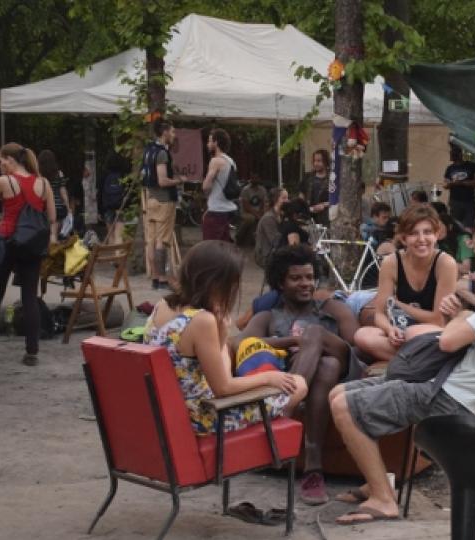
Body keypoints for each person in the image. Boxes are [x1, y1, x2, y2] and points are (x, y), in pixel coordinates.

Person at [329, 219, 475, 524]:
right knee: (339, 392)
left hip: (449, 399)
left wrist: (458, 313)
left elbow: (449, 341)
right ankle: (380, 481)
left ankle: (384, 499)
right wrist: (461, 312)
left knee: (344, 407)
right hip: (442, 388)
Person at [234, 244, 365, 505]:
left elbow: (358, 347)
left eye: (309, 277)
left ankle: (284, 407)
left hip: (344, 373)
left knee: (316, 336)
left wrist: (310, 341)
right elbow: (238, 344)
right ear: (280, 283)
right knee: (324, 366)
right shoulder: (268, 316)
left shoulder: (332, 309)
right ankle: (313, 471)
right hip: (316, 377)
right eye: (296, 278)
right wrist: (293, 344)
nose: (305, 283)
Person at [145, 240, 307, 438]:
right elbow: (223, 387)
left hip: (169, 410)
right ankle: (274, 443)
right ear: (218, 283)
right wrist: (268, 377)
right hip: (202, 416)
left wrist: (220, 328)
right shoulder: (202, 321)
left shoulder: (162, 305)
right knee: (297, 384)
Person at [353, 204, 458, 364]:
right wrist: (389, 330)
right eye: (414, 233)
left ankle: (409, 362)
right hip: (403, 333)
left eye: (427, 232)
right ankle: (418, 363)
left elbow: (438, 320)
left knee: (414, 333)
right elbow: (380, 313)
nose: (421, 239)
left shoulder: (445, 263)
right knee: (362, 335)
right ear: (403, 238)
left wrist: (399, 305)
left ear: (437, 234)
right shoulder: (392, 262)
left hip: (433, 334)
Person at [0, 143, 58, 367]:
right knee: (29, 297)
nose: (0, 165)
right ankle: (31, 350)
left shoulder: (5, 181)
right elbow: (52, 217)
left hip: (6, 241)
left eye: (1, 160)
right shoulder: (43, 183)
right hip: (32, 245)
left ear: (11, 160)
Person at [143, 119, 186, 290]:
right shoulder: (161, 153)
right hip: (163, 200)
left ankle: (154, 277)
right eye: (173, 132)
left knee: (152, 241)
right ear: (165, 132)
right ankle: (161, 278)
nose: (174, 135)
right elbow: (162, 180)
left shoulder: (148, 150)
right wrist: (178, 180)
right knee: (161, 241)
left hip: (151, 199)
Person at [201, 128, 238, 243]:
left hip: (216, 210)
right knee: (224, 246)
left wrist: (207, 195)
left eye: (209, 141)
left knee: (210, 247)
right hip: (228, 209)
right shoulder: (230, 161)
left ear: (216, 143)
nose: (207, 144)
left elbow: (206, 186)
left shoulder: (215, 161)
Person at [443, 145, 475, 229]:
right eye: (451, 153)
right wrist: (452, 184)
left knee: (470, 226)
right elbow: (445, 185)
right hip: (454, 201)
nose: (452, 155)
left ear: (460, 154)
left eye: (454, 153)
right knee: (456, 225)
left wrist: (462, 183)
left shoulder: (471, 166)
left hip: (469, 201)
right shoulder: (450, 168)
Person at [100, 152, 132, 245]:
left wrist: (101, 210)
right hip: (120, 207)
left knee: (110, 235)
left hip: (108, 208)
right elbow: (128, 192)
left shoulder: (104, 176)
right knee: (119, 235)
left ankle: (111, 259)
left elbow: (100, 193)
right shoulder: (123, 176)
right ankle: (118, 257)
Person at [37, 150, 72, 235]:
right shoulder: (59, 174)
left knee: (46, 233)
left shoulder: (38, 175)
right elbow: (63, 191)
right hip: (58, 207)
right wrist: (68, 207)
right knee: (54, 232)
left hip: (43, 207)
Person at [254, 187, 288, 270]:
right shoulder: (268, 218)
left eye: (287, 198)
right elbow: (275, 241)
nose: (287, 201)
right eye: (284, 198)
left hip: (274, 251)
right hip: (266, 255)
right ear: (275, 199)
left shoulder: (280, 215)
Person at [299, 149, 331, 226]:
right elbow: (301, 197)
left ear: (326, 161)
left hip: (326, 218)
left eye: (319, 161)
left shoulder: (332, 179)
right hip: (308, 217)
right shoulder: (307, 177)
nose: (316, 163)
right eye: (314, 161)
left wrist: (324, 205)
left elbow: (337, 199)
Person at [237, 176, 268, 246]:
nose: (255, 179)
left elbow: (263, 203)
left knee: (267, 217)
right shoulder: (245, 190)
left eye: (257, 178)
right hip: (246, 212)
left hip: (258, 212)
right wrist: (257, 215)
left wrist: (261, 212)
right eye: (253, 178)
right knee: (251, 219)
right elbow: (246, 206)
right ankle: (239, 235)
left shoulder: (262, 190)